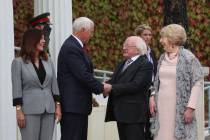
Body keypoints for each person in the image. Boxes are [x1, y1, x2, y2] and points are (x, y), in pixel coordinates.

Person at [57, 17, 109, 140]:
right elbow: (83, 75)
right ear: (83, 30)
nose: (91, 35)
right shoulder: (71, 48)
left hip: (77, 106)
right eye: (91, 32)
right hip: (73, 107)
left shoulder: (75, 46)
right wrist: (102, 88)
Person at [149, 24, 203, 140]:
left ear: (171, 38)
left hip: (180, 108)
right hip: (162, 106)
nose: (160, 41)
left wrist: (190, 107)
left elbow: (197, 82)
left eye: (163, 37)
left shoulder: (189, 58)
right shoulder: (162, 57)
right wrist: (152, 96)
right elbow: (157, 82)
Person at [11, 29, 61, 140]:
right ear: (32, 40)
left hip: (49, 109)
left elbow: (54, 86)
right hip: (29, 110)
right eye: (41, 38)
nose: (44, 41)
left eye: (44, 39)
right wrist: (19, 111)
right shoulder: (18, 62)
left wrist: (57, 106)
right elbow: (17, 89)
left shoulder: (48, 61)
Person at [105, 36, 153, 140]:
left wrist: (111, 87)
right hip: (121, 113)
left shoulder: (145, 64)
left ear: (137, 49)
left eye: (127, 46)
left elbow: (136, 85)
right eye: (123, 45)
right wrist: (101, 86)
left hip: (134, 115)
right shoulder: (123, 63)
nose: (124, 48)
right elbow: (114, 80)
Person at [135, 24, 157, 140]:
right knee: (141, 124)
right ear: (139, 36)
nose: (148, 37)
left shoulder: (151, 52)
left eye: (150, 35)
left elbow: (155, 71)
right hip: (141, 92)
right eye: (145, 35)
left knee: (151, 123)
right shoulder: (136, 53)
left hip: (152, 92)